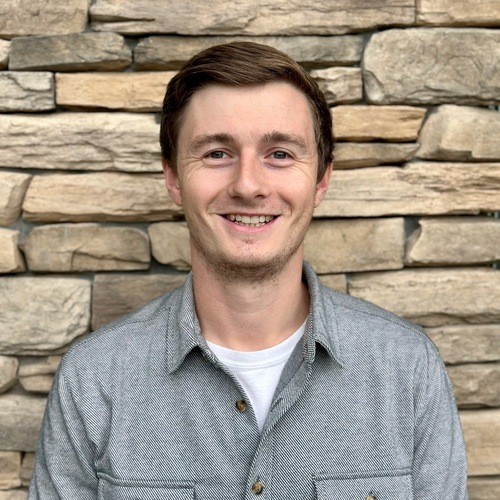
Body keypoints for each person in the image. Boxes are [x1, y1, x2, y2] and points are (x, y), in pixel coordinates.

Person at [29, 42, 468, 499]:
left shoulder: (407, 369)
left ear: (321, 180)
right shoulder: (94, 379)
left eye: (280, 154)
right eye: (217, 153)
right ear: (174, 178)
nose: (248, 185)